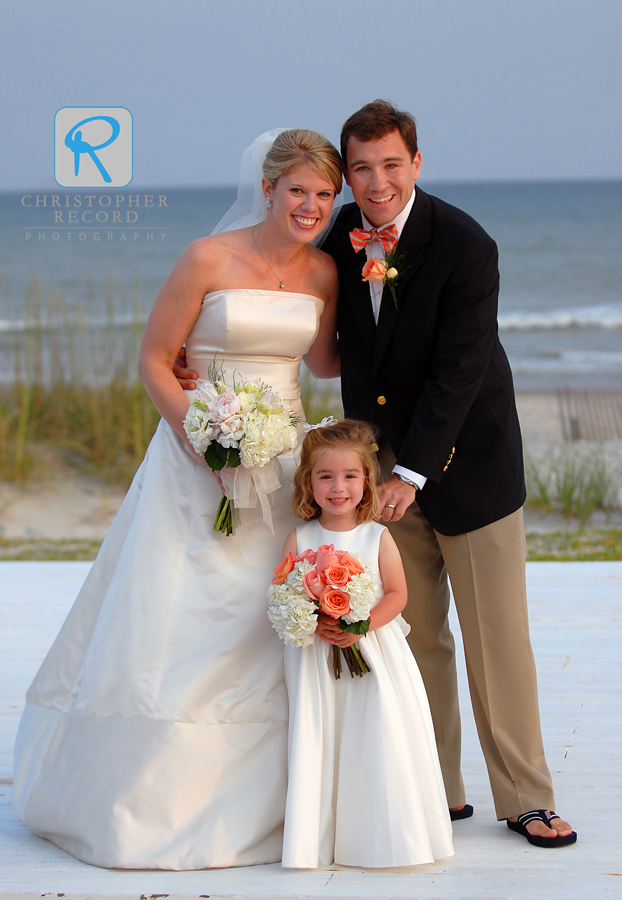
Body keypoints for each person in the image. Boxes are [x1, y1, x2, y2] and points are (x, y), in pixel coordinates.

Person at [12, 128, 343, 869]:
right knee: (183, 617)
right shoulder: (206, 257)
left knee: (270, 617)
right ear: (267, 188)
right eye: (298, 190)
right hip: (200, 455)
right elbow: (155, 360)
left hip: (283, 457)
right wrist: (202, 434)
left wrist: (379, 288)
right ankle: (148, 797)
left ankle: (278, 799)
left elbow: (324, 359)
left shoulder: (324, 272)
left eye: (325, 195)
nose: (311, 206)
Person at [321, 100, 576, 848]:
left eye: (391, 164)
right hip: (383, 477)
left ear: (417, 164)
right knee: (416, 636)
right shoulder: (339, 237)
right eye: (361, 168)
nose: (377, 181)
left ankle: (527, 795)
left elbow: (460, 373)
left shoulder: (466, 244)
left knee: (497, 640)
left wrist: (411, 471)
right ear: (347, 174)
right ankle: (437, 788)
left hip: (469, 470)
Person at [277, 420, 454, 868]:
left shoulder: (377, 535)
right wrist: (312, 619)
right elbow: (285, 589)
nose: (338, 487)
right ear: (308, 482)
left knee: (373, 730)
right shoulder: (300, 538)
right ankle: (323, 836)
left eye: (350, 476)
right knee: (325, 733)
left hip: (374, 651)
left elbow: (397, 594)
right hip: (317, 656)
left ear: (368, 481)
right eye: (325, 476)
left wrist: (360, 627)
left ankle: (381, 834)